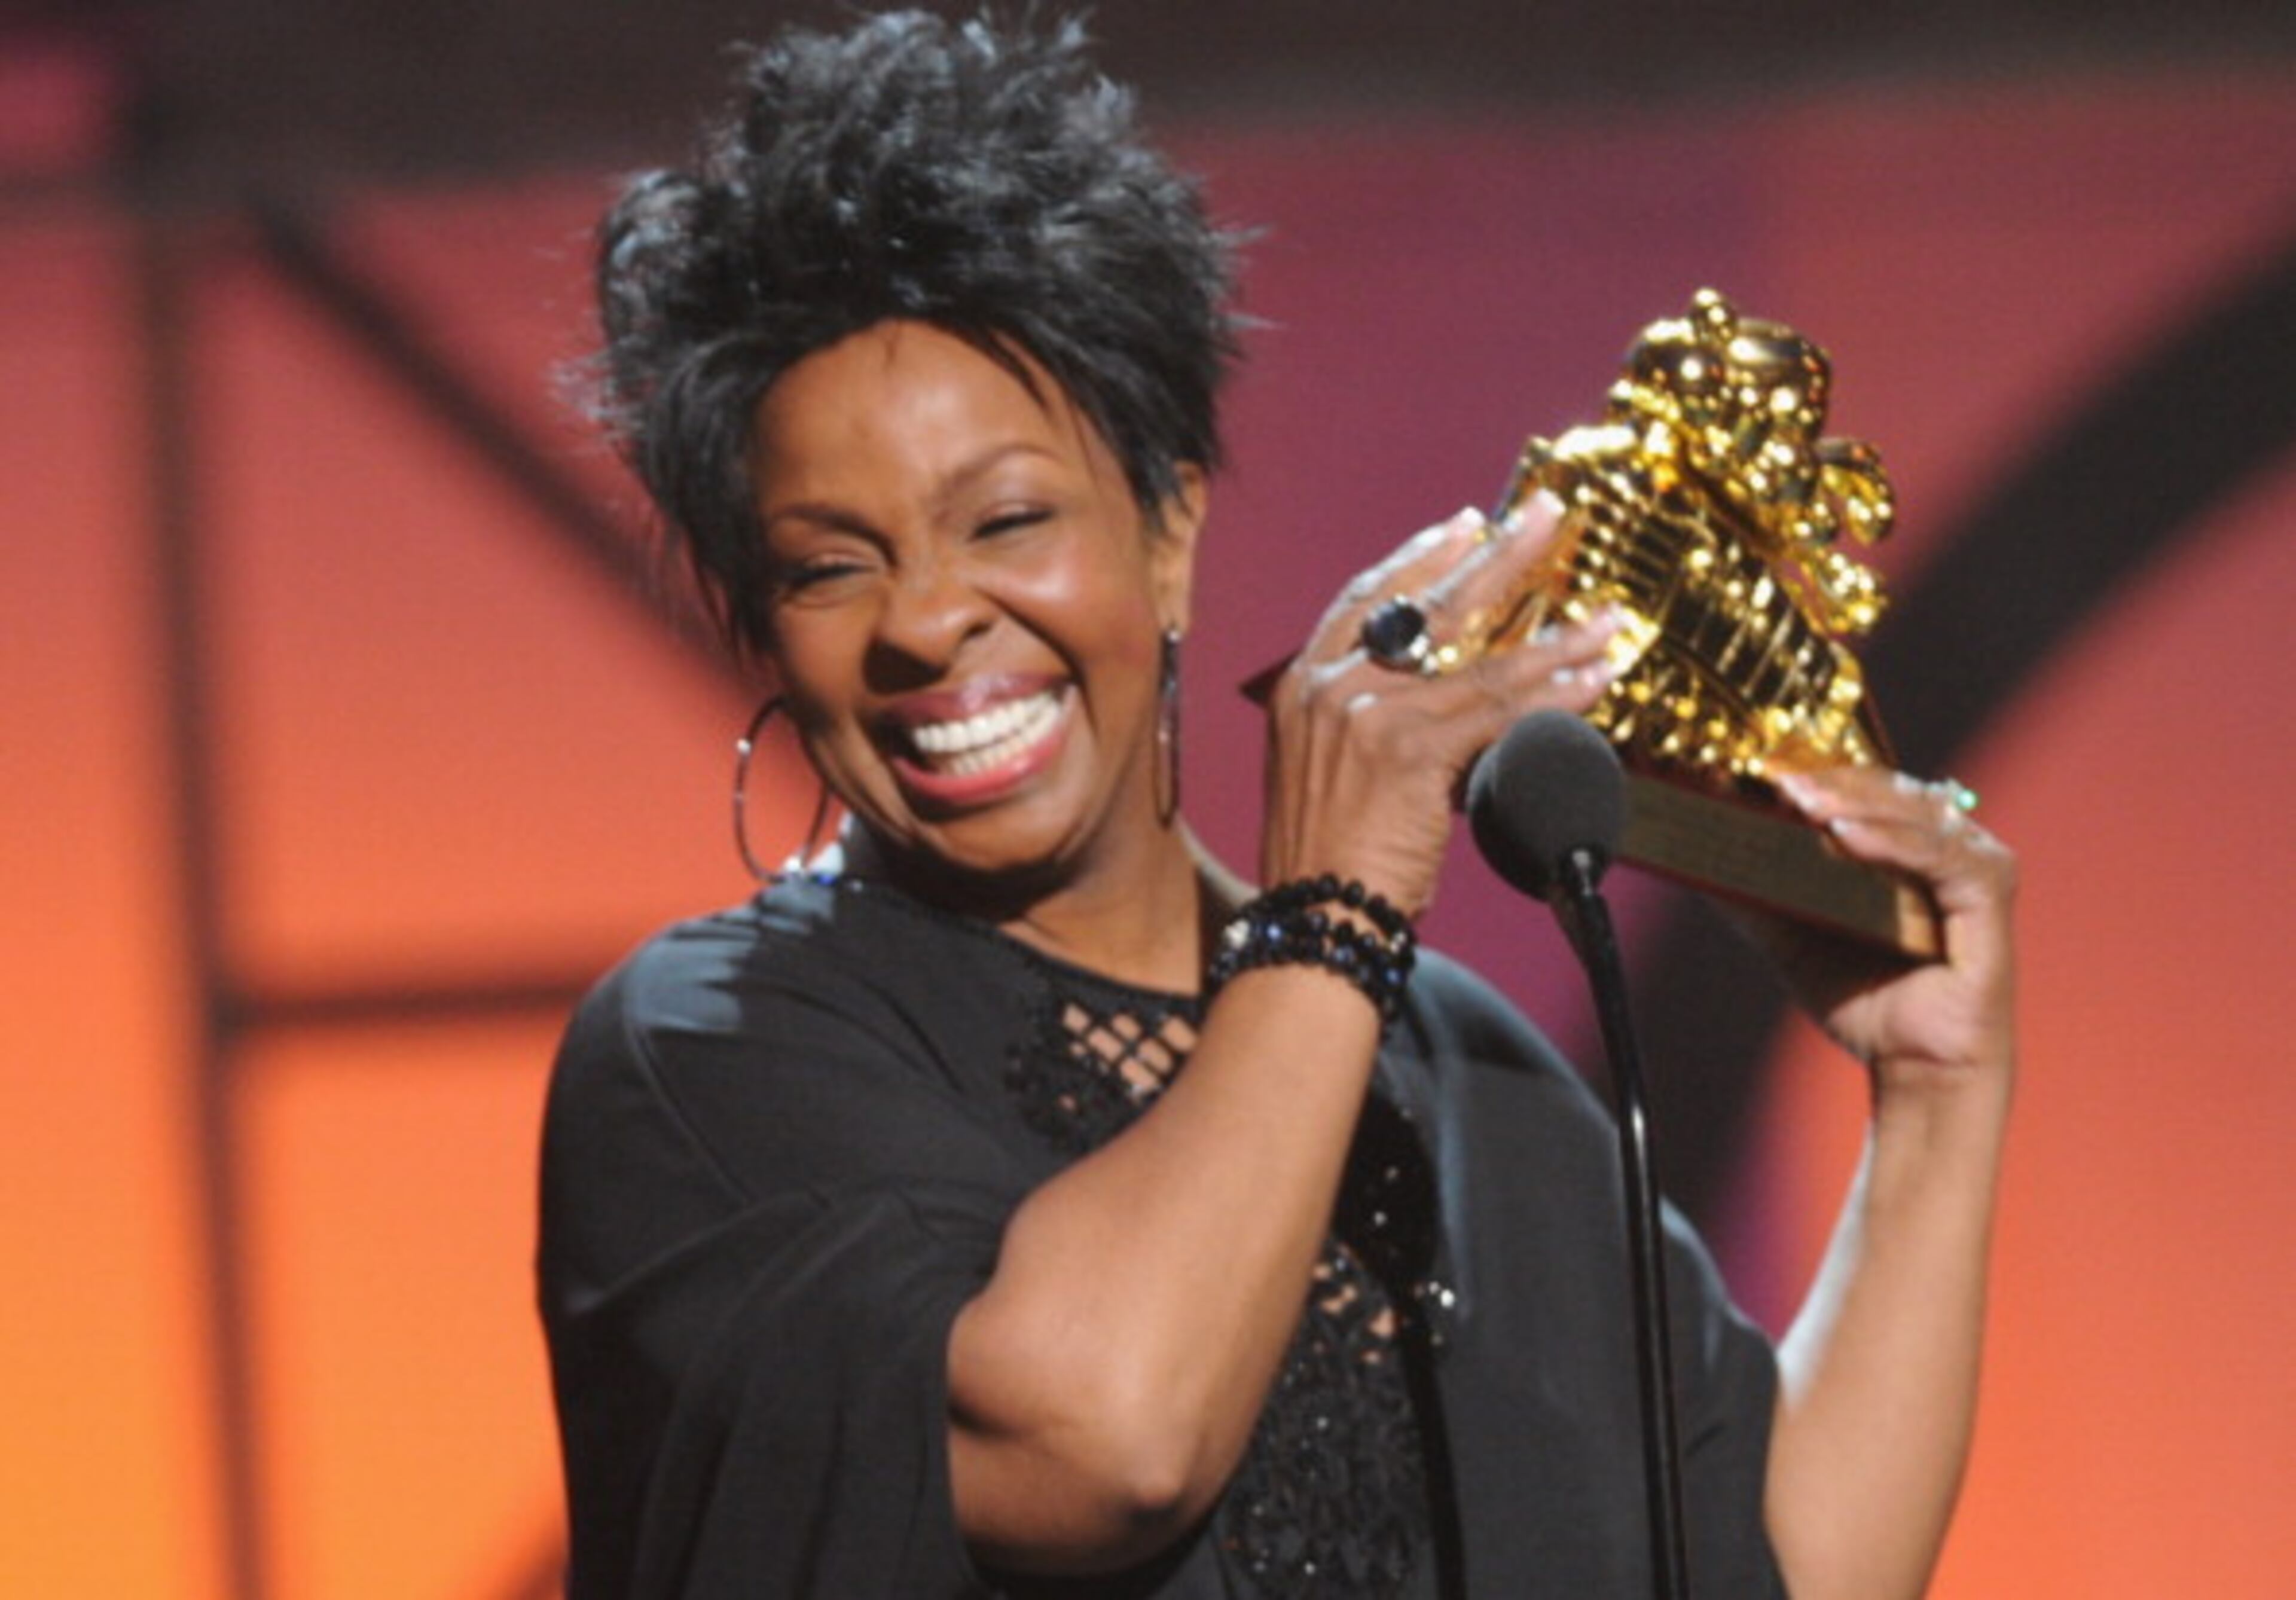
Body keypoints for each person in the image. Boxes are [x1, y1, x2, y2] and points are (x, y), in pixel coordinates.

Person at [536, 11, 2018, 1599]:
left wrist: (1938, 1104)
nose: (924, 620)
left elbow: (1773, 1570)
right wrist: (1335, 907)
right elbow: (1106, 1438)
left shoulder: (1471, 1071)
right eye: (830, 564)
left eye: (1008, 518)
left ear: (1167, 523)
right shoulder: (713, 1053)